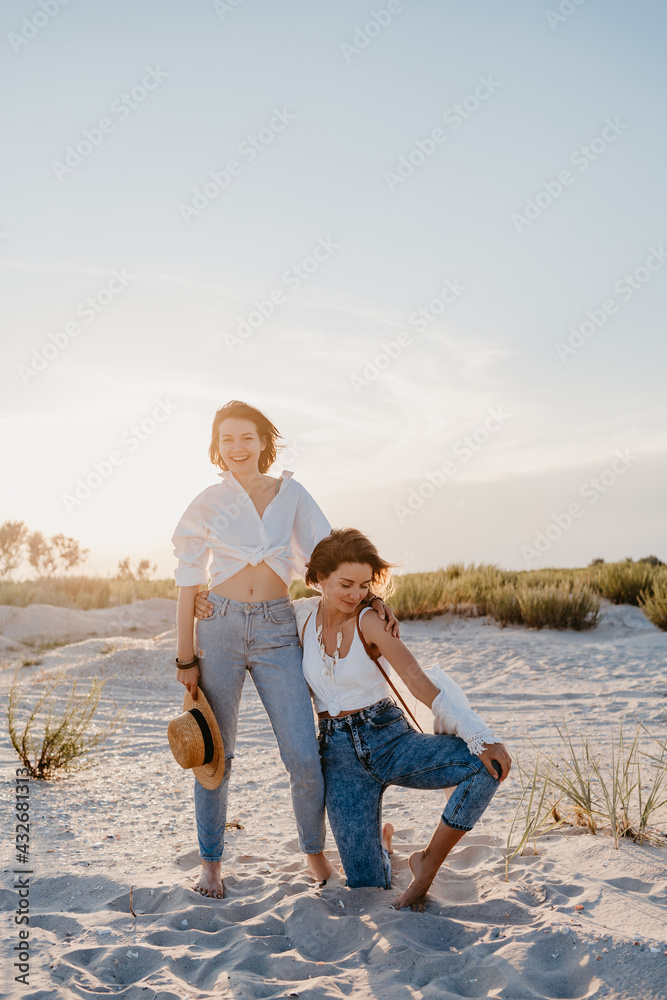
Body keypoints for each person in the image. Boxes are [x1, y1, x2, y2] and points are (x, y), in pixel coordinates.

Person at [172, 401, 398, 899]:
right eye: (227, 439)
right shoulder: (208, 500)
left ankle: (313, 852)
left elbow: (331, 553)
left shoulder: (292, 493)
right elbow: (189, 577)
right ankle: (211, 861)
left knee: (302, 753)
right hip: (220, 628)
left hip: (277, 628)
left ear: (263, 442)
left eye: (247, 438)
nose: (237, 448)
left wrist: (371, 598)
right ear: (216, 446)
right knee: (217, 754)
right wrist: (185, 655)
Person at [297, 528, 512, 911]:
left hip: (389, 739)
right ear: (318, 578)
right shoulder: (299, 616)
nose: (356, 594)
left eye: (365, 586)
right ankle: (382, 844)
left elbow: (415, 679)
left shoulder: (370, 621)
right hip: (339, 758)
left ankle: (427, 862)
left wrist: (479, 734)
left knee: (485, 768)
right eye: (346, 584)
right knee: (368, 884)